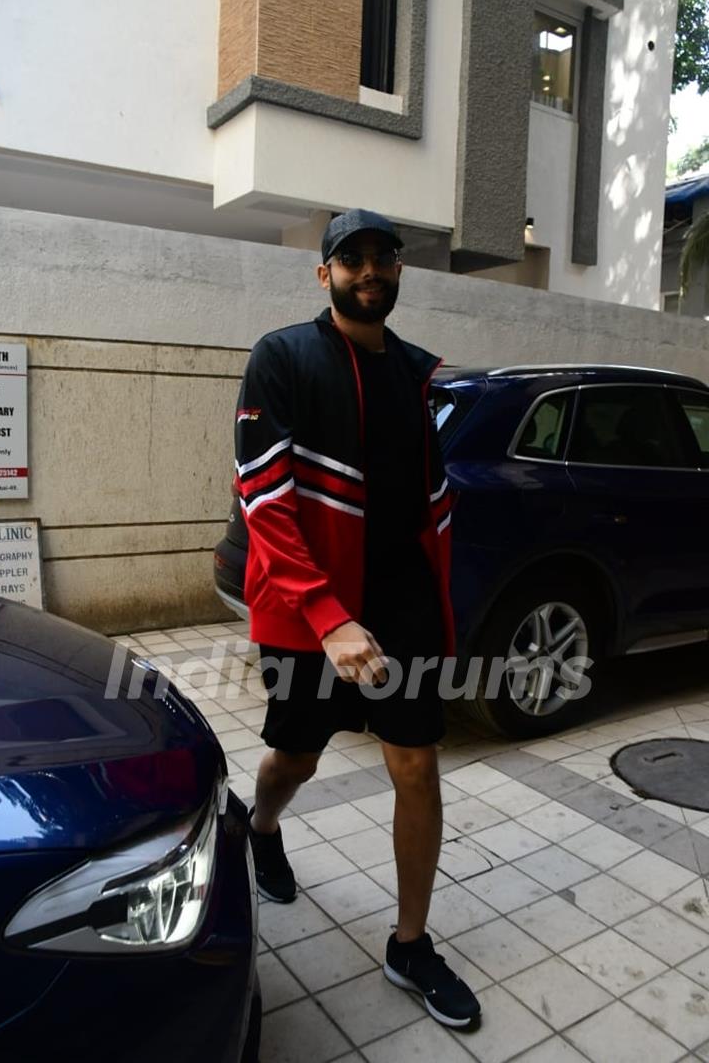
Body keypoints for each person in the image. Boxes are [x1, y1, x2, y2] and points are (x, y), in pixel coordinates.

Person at [234, 208, 480, 1027]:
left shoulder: (417, 373)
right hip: (312, 609)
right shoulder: (284, 357)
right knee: (296, 759)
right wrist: (328, 615)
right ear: (325, 273)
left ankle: (410, 944)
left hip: (402, 603)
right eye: (352, 258)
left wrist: (440, 606)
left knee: (416, 764)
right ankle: (261, 825)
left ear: (400, 272)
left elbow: (426, 502)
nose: (369, 270)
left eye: (384, 257)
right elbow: (264, 496)